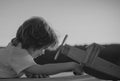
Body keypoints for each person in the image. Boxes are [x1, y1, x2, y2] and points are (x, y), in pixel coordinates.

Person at [0, 16, 82, 78]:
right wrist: (72, 65)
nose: (43, 52)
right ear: (32, 43)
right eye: (42, 48)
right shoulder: (18, 53)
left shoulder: (17, 47)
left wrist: (31, 72)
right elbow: (42, 69)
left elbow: (20, 66)